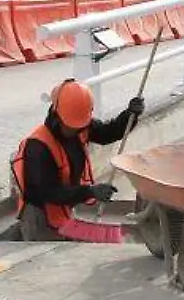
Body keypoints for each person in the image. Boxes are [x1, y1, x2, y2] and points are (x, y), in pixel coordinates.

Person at [11, 79, 144, 243]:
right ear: (56, 116)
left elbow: (108, 132)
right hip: (40, 214)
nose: (75, 131)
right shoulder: (38, 146)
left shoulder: (81, 125)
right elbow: (46, 191)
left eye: (79, 127)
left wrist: (130, 115)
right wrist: (89, 192)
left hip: (64, 205)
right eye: (71, 127)